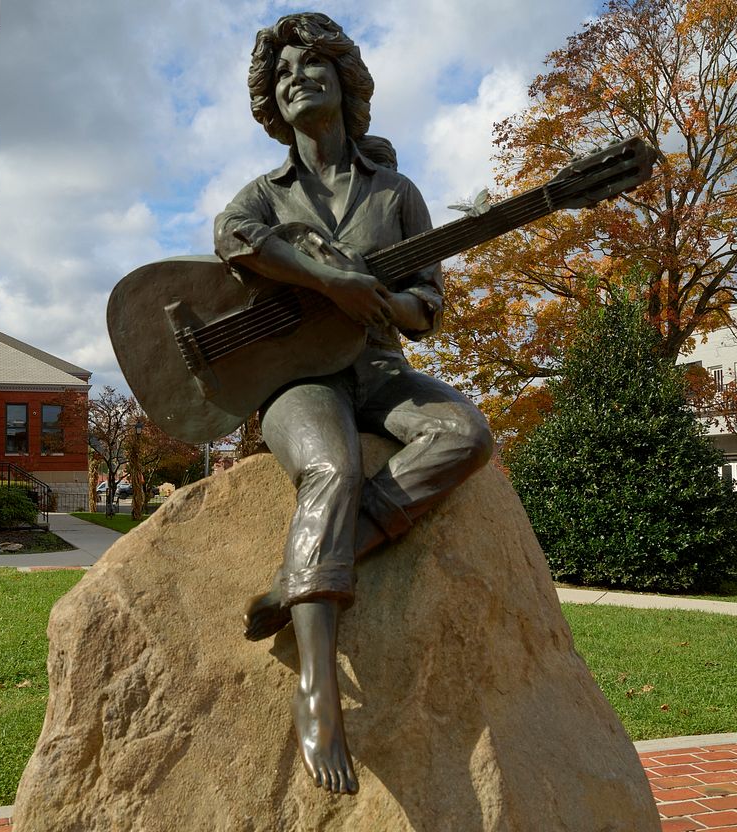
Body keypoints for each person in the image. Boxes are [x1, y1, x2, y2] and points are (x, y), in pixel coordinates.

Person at [214, 12, 493, 796]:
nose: (298, 76)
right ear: (272, 103)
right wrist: (326, 278)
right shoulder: (266, 195)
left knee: (464, 434)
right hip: (297, 381)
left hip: (377, 369)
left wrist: (384, 307)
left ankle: (299, 573)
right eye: (283, 72)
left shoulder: (397, 193)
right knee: (330, 467)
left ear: (346, 82)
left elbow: (429, 306)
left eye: (314, 65)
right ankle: (318, 691)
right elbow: (231, 237)